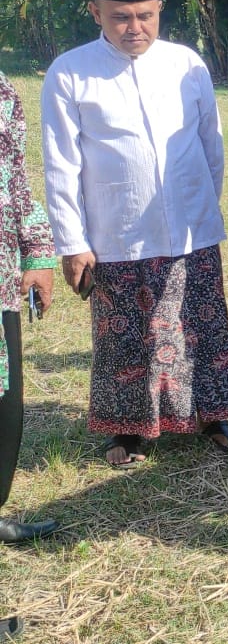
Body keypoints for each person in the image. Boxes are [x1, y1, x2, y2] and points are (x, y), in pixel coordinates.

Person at [41, 0, 228, 468]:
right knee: (126, 335)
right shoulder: (69, 72)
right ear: (96, 13)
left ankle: (211, 416)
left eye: (146, 16)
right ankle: (129, 431)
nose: (135, 28)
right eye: (121, 18)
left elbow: (210, 145)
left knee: (199, 326)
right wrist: (72, 242)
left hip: (190, 226)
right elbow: (61, 164)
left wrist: (202, 204)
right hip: (116, 230)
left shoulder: (186, 63)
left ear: (160, 11)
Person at [0, 72, 58, 549]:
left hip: (1, 282)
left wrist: (38, 253)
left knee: (6, 409)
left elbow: (15, 176)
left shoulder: (2, 90)